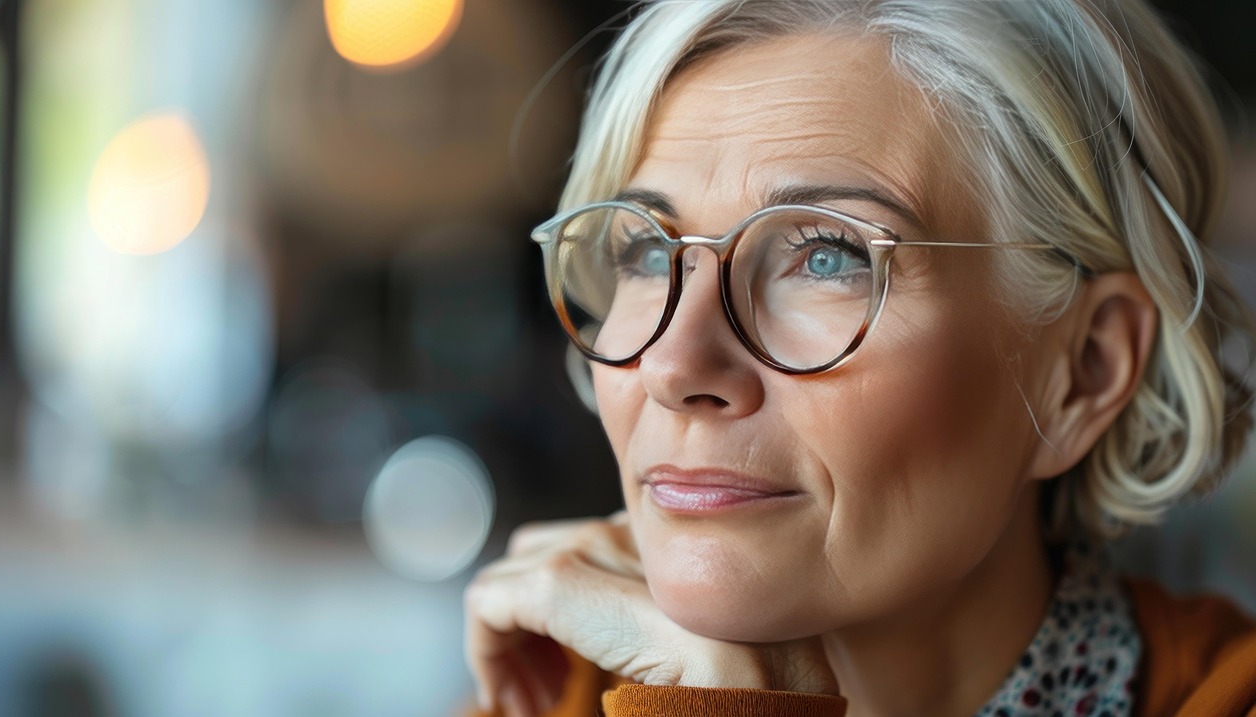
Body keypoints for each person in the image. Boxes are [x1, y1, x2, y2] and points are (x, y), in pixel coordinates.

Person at [463, 0, 1256, 715]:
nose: (674, 365)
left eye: (828, 257)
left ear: (1084, 369)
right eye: (644, 250)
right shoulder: (542, 697)